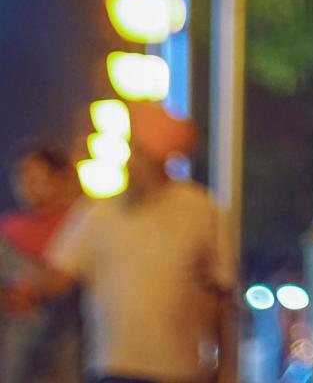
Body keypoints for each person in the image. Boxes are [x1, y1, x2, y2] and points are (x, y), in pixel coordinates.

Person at [32, 106, 233, 383]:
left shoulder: (201, 212)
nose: (131, 162)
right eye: (131, 150)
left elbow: (221, 298)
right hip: (111, 369)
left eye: (139, 152)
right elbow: (55, 278)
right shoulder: (98, 213)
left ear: (161, 159)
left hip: (181, 372)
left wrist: (227, 370)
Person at [0, 145, 81, 383]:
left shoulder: (77, 224)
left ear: (60, 179)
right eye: (22, 178)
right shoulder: (9, 227)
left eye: (36, 178)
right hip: (13, 339)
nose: (28, 186)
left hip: (65, 339)